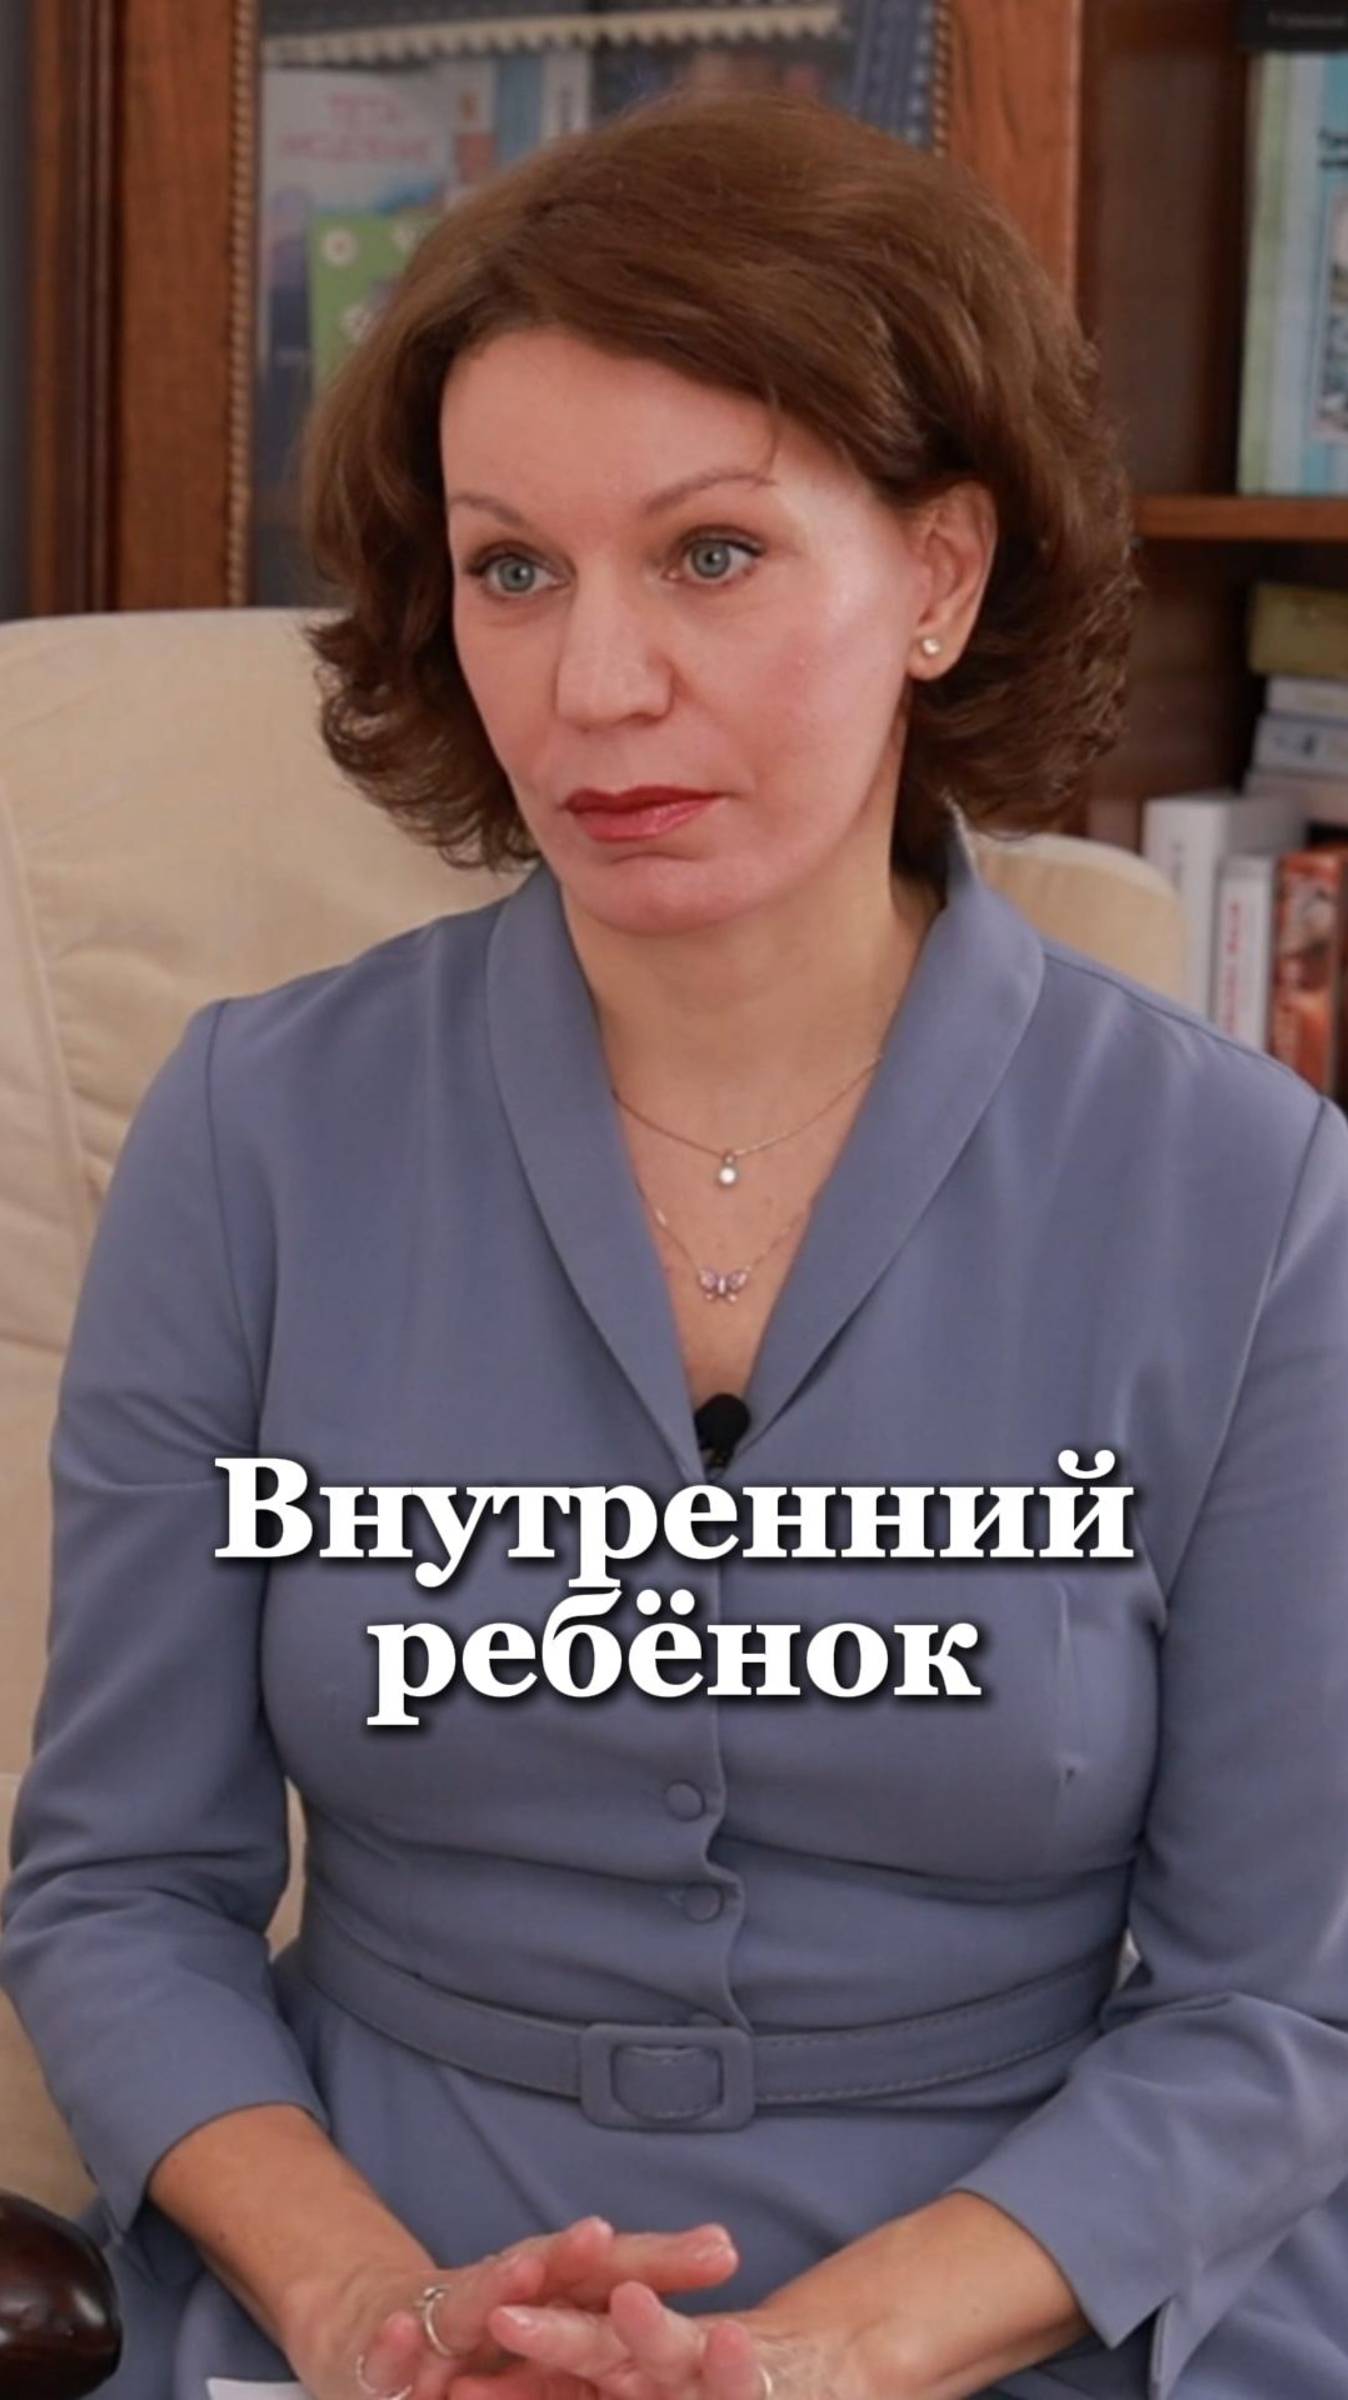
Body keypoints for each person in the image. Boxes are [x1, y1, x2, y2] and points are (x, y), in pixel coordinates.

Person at [3, 80, 1348, 2400]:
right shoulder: (256, 1132)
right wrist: (370, 2304)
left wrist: (821, 2360)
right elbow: (121, 1888)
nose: (592, 684)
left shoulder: (1244, 1196)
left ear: (938, 576)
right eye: (512, 569)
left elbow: (1281, 2005)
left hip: (1025, 2320)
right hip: (389, 2304)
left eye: (709, 554)